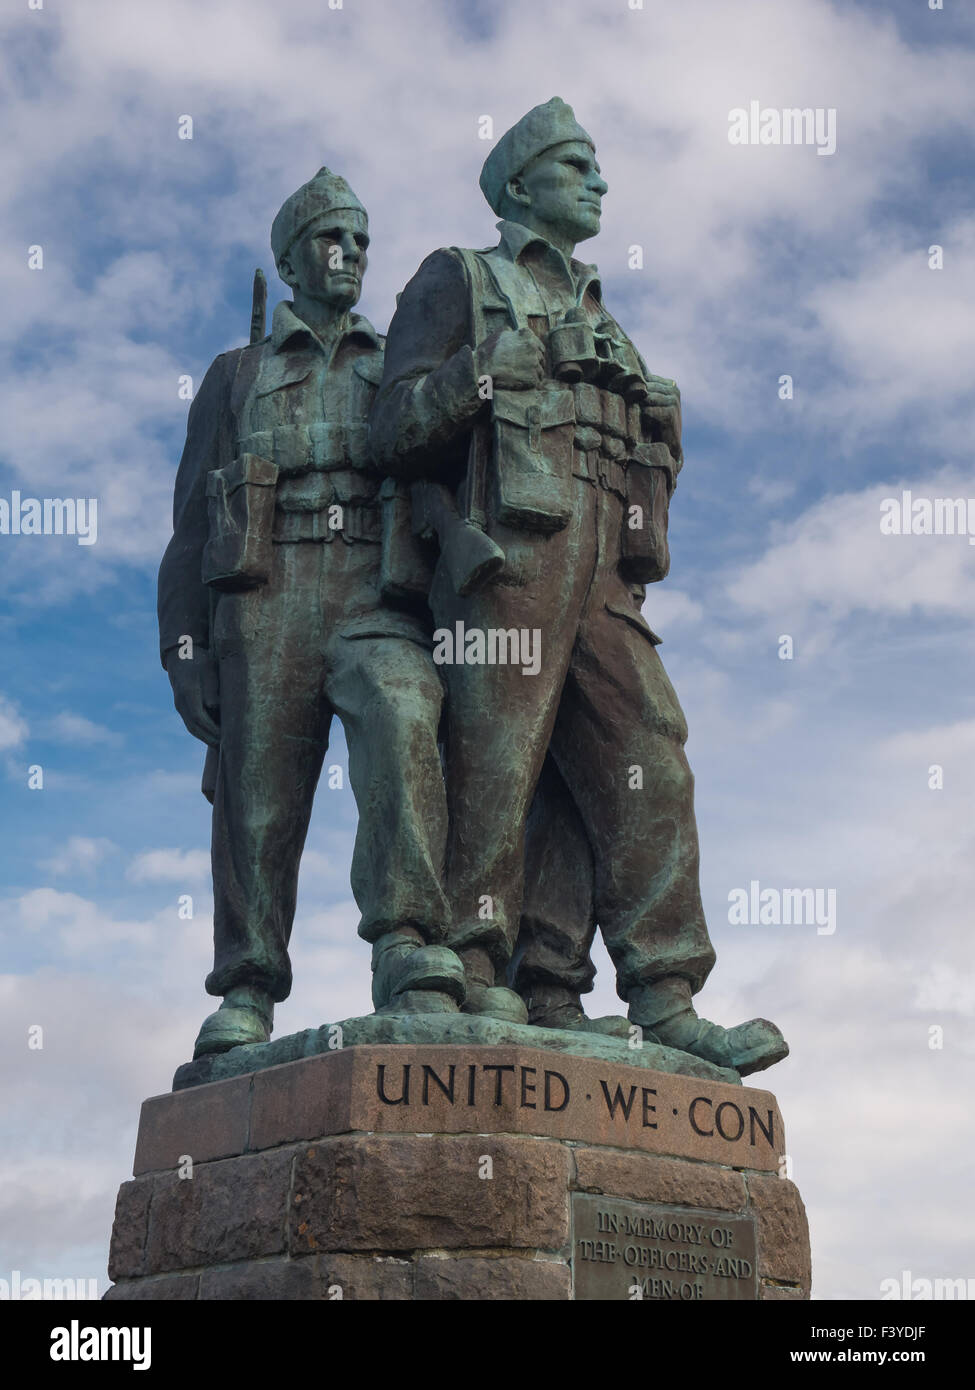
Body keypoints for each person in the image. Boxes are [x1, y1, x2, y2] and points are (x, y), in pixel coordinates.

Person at [369, 100, 787, 1073]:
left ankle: (658, 990)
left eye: (594, 167)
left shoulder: (606, 313)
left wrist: (661, 427)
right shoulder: (461, 279)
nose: (598, 183)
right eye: (576, 166)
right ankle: (479, 966)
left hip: (605, 563)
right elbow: (390, 430)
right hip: (509, 549)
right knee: (500, 761)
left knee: (648, 753)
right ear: (520, 187)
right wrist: (482, 371)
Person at [158, 167, 466, 1059]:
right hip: (265, 594)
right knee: (258, 791)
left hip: (374, 588)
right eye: (334, 239)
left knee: (406, 715)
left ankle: (408, 945)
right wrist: (184, 650)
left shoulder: (394, 362)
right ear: (291, 259)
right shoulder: (235, 374)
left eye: (364, 241)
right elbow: (186, 531)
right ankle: (248, 984)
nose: (353, 255)